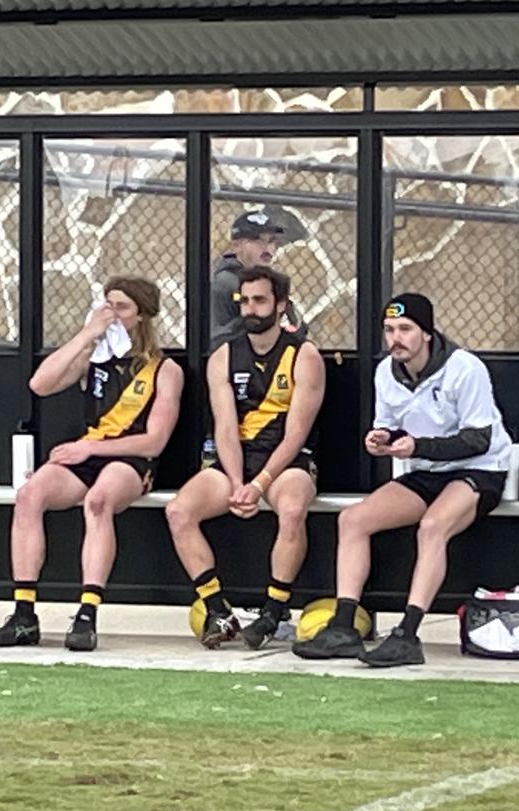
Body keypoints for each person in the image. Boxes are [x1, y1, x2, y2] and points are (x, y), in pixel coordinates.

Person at [292, 292, 511, 668]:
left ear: (426, 333)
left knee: (432, 527)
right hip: (424, 469)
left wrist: (417, 446)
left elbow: (480, 438)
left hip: (480, 468)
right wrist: (380, 439)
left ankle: (408, 634)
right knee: (352, 519)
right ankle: (344, 625)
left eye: (406, 329)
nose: (396, 338)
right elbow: (389, 427)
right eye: (389, 329)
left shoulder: (464, 368)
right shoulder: (385, 372)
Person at [0, 276, 184, 652]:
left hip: (128, 459)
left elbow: (154, 440)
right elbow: (40, 384)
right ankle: (24, 613)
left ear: (142, 316)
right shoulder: (94, 359)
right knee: (30, 495)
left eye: (121, 308)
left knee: (98, 502)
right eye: (107, 306)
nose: (112, 315)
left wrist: (90, 449)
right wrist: (86, 335)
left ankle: (87, 613)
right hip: (87, 453)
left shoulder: (163, 369)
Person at [167, 264, 325, 650]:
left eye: (260, 300)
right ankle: (218, 608)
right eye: (245, 301)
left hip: (285, 462)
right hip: (235, 461)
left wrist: (259, 485)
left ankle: (273, 611)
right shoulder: (222, 356)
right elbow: (224, 426)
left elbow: (297, 433)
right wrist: (238, 484)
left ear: (281, 305)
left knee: (291, 508)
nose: (251, 309)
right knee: (178, 511)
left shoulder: (304, 355)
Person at [210, 210, 303, 350]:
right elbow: (215, 340)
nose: (268, 248)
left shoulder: (273, 282)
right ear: (236, 246)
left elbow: (296, 326)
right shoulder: (224, 284)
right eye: (258, 240)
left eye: (271, 241)